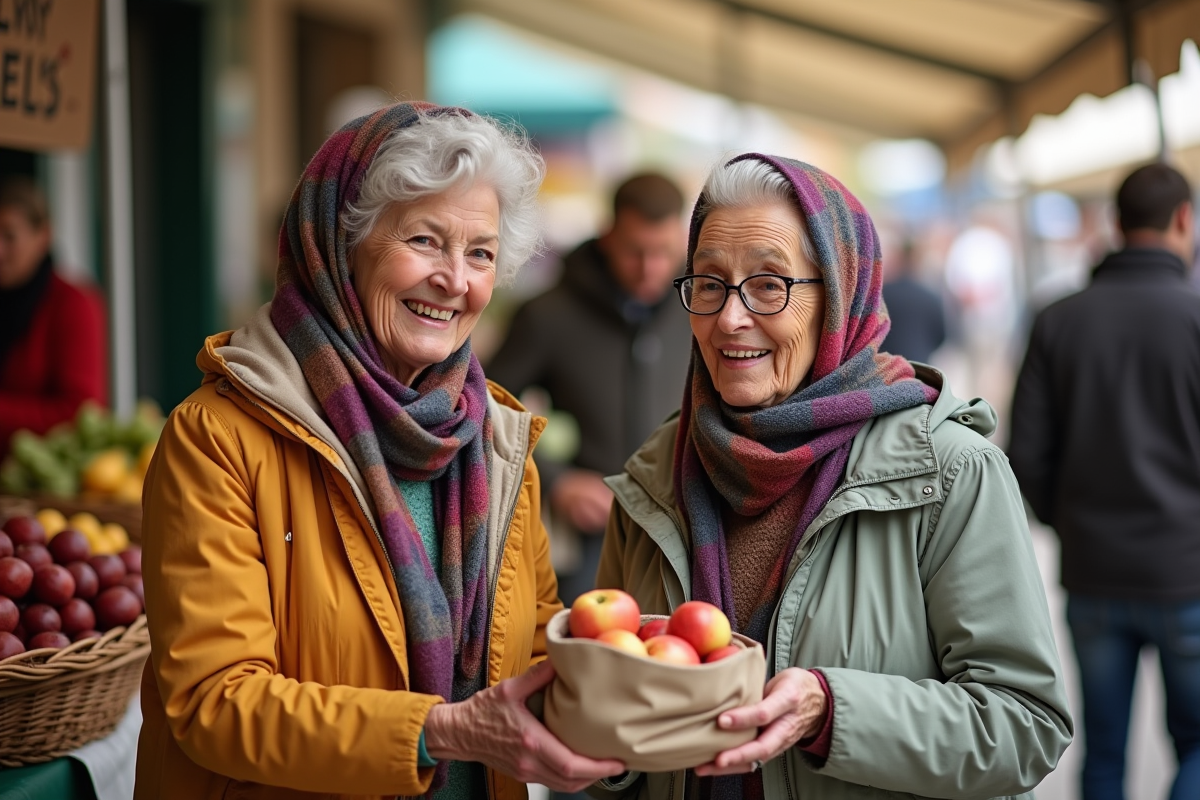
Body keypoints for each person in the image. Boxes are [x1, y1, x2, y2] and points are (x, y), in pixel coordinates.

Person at [134, 103, 625, 800]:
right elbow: (215, 701)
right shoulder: (216, 439)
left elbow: (532, 657)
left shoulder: (497, 439)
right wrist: (442, 732)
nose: (456, 280)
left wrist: (628, 695)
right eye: (425, 240)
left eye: (480, 252)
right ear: (343, 247)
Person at [592, 154, 1072, 799]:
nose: (730, 318)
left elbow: (1025, 724)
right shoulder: (655, 476)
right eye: (708, 283)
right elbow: (618, 733)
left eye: (769, 284)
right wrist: (603, 743)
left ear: (840, 295)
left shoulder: (949, 470)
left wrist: (831, 711)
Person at [1009, 162, 1200, 800]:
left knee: (1104, 755)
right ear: (1183, 219)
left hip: (1091, 571)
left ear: (1115, 224)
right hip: (1187, 574)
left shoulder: (1057, 319)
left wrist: (1073, 522)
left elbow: (1025, 456)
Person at [487, 172, 690, 605]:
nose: (650, 268)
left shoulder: (703, 307)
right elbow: (484, 407)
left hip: (688, 532)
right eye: (636, 251)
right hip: (591, 544)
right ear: (608, 235)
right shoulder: (547, 316)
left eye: (664, 252)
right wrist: (557, 480)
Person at [0, 176, 107, 458]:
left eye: (9, 236)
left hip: (42, 482)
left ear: (43, 236)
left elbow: (82, 412)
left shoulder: (73, 305)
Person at [880, 239, 947, 363]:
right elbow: (941, 335)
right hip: (921, 367)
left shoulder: (883, 294)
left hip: (887, 368)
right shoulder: (930, 296)